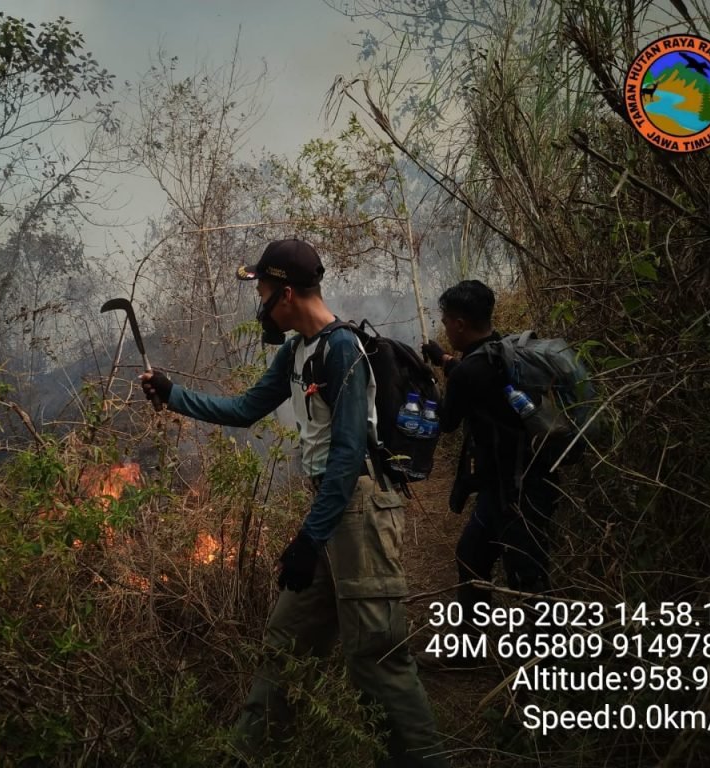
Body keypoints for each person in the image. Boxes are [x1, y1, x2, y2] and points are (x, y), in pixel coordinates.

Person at [141, 239, 448, 767]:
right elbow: (243, 409)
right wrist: (173, 394)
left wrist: (311, 536)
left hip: (359, 513)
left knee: (378, 661)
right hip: (328, 513)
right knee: (284, 647)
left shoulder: (342, 349)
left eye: (260, 289)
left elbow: (350, 451)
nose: (257, 301)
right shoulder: (295, 351)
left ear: (284, 292)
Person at [421, 280, 559, 641]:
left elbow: (447, 422)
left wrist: (428, 386)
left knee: (526, 575)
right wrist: (444, 361)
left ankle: (546, 666)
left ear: (460, 324)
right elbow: (478, 376)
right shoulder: (507, 350)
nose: (446, 328)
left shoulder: (470, 372)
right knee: (472, 556)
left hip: (511, 492)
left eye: (447, 321)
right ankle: (469, 648)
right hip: (528, 481)